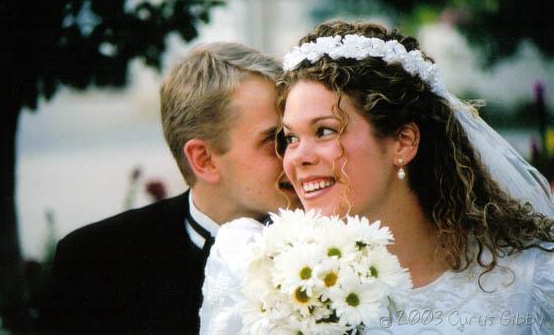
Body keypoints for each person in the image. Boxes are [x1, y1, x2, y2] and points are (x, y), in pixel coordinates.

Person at [200, 21, 554, 334]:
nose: (298, 158)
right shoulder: (254, 268)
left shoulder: (527, 280)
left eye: (325, 131)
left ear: (403, 141)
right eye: (291, 138)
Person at [46, 42, 298, 334]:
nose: (297, 156)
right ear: (204, 160)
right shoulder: (95, 262)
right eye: (276, 140)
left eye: (295, 136)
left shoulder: (333, 248)